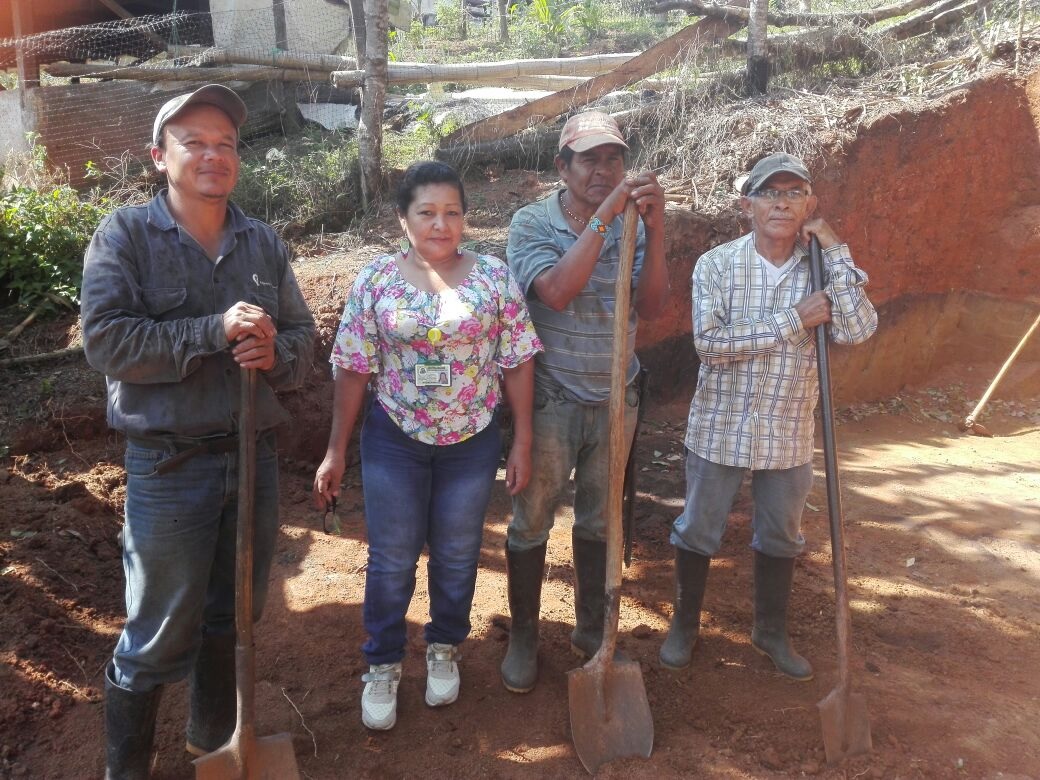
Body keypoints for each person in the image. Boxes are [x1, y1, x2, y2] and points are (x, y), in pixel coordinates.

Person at [80, 84, 316, 778]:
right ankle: (127, 769)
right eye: (194, 142)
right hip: (168, 465)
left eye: (226, 144)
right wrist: (212, 331)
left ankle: (211, 745)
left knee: (234, 614)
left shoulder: (262, 242)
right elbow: (105, 341)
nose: (214, 155)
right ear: (160, 156)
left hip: (252, 458)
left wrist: (277, 354)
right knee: (157, 630)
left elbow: (303, 337)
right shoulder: (124, 236)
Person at [313, 161, 542, 730]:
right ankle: (383, 663)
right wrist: (336, 450)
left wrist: (523, 441)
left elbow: (516, 362)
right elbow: (352, 368)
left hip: (472, 440)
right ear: (403, 218)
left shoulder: (493, 278)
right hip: (395, 438)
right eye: (427, 212)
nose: (441, 224)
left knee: (459, 552)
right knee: (391, 559)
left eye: (453, 212)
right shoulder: (375, 281)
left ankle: (444, 647)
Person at [660, 153, 878, 679]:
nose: (781, 203)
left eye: (793, 193)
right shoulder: (716, 265)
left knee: (781, 534)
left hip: (789, 429)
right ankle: (684, 625)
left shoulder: (821, 267)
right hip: (719, 427)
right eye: (768, 193)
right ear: (747, 205)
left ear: (810, 204)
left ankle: (770, 632)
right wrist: (792, 321)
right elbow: (710, 345)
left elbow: (857, 329)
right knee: (699, 530)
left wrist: (835, 249)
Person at [500, 111, 669, 693]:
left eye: (613, 159)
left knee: (600, 518)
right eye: (589, 159)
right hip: (551, 395)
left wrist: (657, 225)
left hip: (616, 392)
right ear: (562, 166)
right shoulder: (531, 223)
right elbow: (556, 291)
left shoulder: (634, 225)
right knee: (534, 515)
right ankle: (524, 634)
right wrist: (606, 217)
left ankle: (591, 628)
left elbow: (652, 306)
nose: (603, 170)